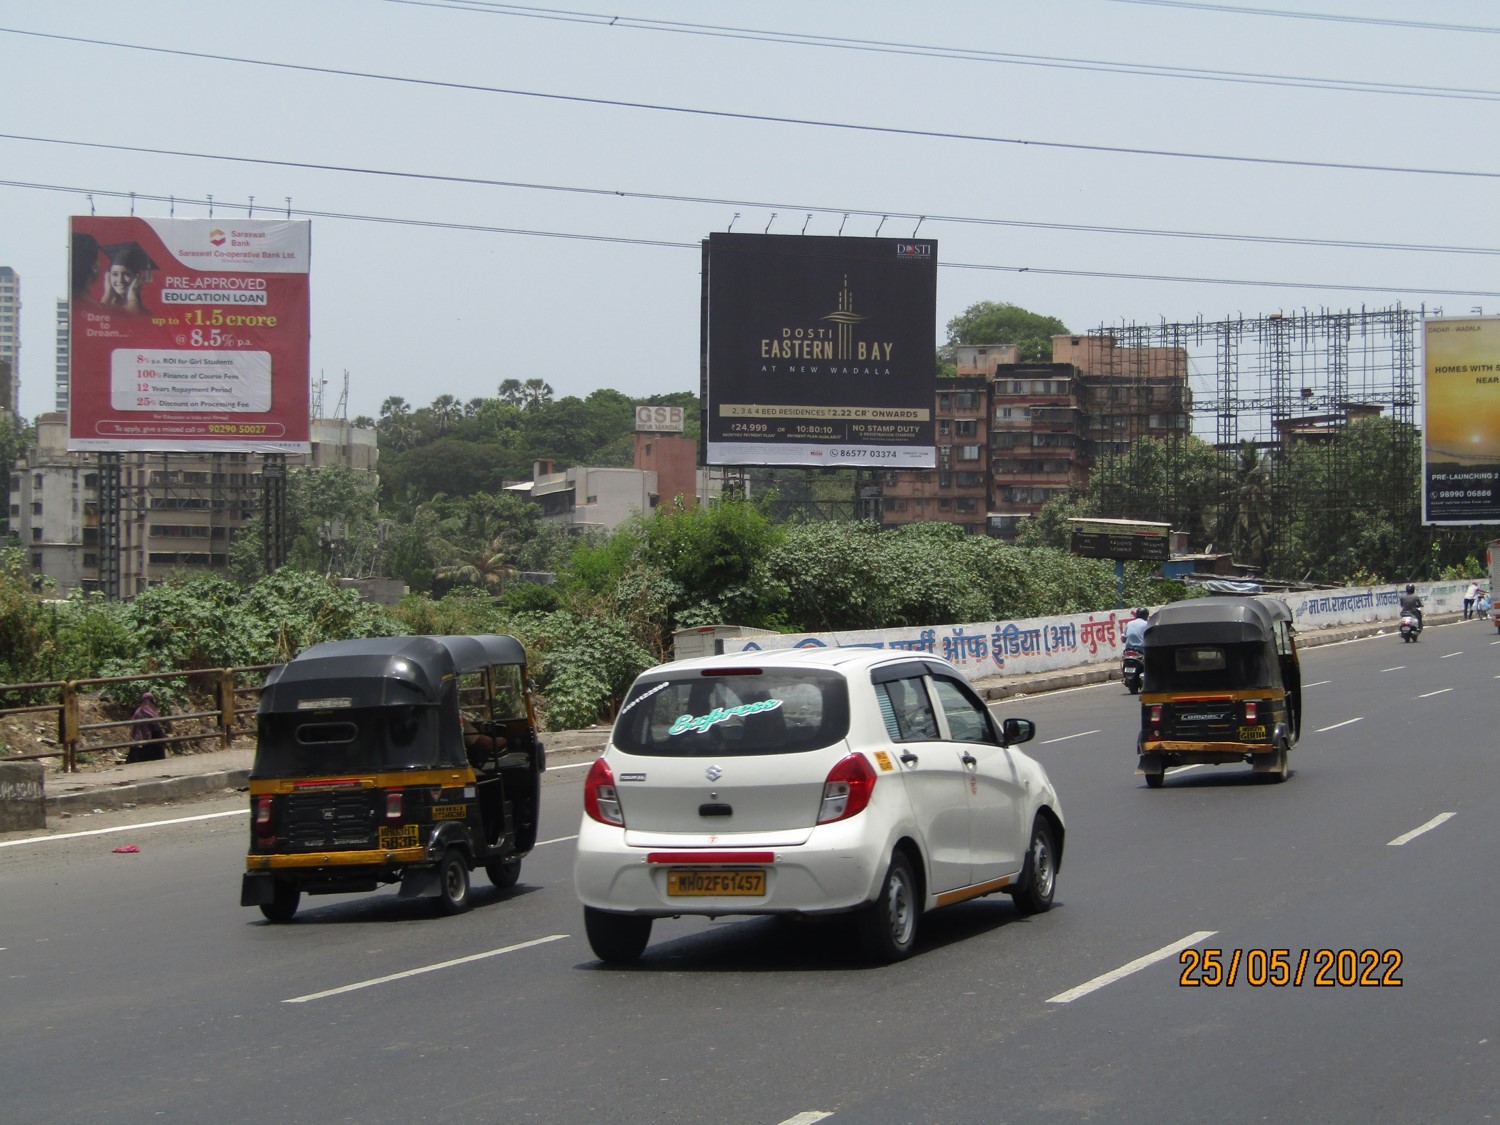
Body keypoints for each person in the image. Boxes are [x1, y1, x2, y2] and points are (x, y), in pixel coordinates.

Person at [100, 244, 151, 314]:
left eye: (126, 274)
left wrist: (132, 295)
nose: (120, 280)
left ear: (137, 278)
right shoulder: (98, 305)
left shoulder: (145, 313)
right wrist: (108, 294)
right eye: (115, 274)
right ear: (108, 276)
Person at [126, 691, 168, 763]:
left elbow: (133, 727)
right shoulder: (151, 712)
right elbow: (157, 728)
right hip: (151, 746)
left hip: (137, 744)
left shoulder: (137, 712)